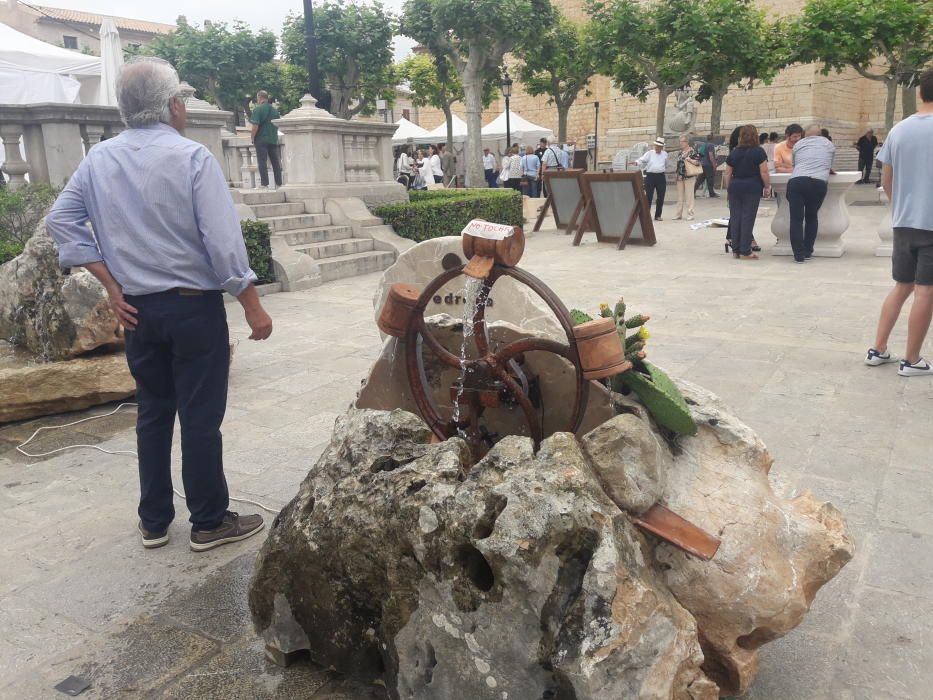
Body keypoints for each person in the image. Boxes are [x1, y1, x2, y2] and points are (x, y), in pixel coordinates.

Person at [45, 57, 271, 552]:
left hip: (138, 312)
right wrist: (253, 305)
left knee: (152, 411)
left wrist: (110, 284)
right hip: (192, 308)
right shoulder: (192, 158)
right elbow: (223, 243)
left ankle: (154, 520)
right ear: (172, 105)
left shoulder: (98, 160)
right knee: (199, 416)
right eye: (182, 100)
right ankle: (209, 521)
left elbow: (60, 219)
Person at [865, 69, 933, 376]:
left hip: (904, 222)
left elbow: (887, 179)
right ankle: (912, 359)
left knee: (902, 286)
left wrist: (900, 208)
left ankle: (878, 348)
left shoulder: (899, 130)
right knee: (926, 291)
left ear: (920, 93)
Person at [786, 124, 835, 263]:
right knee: (812, 217)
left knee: (796, 219)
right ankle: (808, 250)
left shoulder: (798, 144)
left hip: (797, 181)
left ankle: (798, 254)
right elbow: (829, 166)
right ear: (820, 134)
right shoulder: (829, 145)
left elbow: (795, 164)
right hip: (818, 183)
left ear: (804, 135)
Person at [723, 125, 770, 259]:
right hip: (752, 187)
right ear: (755, 136)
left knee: (736, 218)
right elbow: (764, 171)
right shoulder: (759, 152)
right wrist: (767, 186)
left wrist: (729, 189)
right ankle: (745, 250)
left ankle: (736, 250)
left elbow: (728, 173)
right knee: (747, 219)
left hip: (735, 187)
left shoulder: (734, 152)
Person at [249, 90, 282, 189]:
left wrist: (252, 137)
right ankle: (279, 183)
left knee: (262, 161)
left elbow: (255, 125)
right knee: (275, 162)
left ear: (260, 98)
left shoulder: (258, 110)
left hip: (261, 139)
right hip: (273, 139)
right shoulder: (275, 111)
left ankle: (264, 184)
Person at [636, 137, 669, 221]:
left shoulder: (665, 154)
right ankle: (646, 215)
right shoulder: (650, 153)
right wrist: (636, 162)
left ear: (662, 147)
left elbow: (666, 164)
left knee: (661, 196)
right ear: (655, 146)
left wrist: (660, 169)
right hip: (650, 176)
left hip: (660, 176)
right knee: (648, 196)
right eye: (656, 146)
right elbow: (642, 160)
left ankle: (658, 215)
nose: (657, 148)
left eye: (659, 147)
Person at [673, 136, 700, 221]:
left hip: (689, 176)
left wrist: (690, 160)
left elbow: (698, 162)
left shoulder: (692, 151)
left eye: (682, 141)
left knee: (689, 196)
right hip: (680, 177)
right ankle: (678, 214)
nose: (680, 143)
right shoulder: (680, 153)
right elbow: (678, 165)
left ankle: (690, 214)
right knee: (679, 197)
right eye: (680, 141)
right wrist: (676, 175)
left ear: (687, 142)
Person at [694, 134, 719, 198]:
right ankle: (712, 193)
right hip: (708, 165)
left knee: (700, 179)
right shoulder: (711, 145)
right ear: (712, 139)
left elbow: (700, 154)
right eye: (714, 138)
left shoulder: (704, 145)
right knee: (710, 179)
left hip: (703, 164)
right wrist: (714, 165)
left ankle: (692, 192)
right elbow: (711, 156)